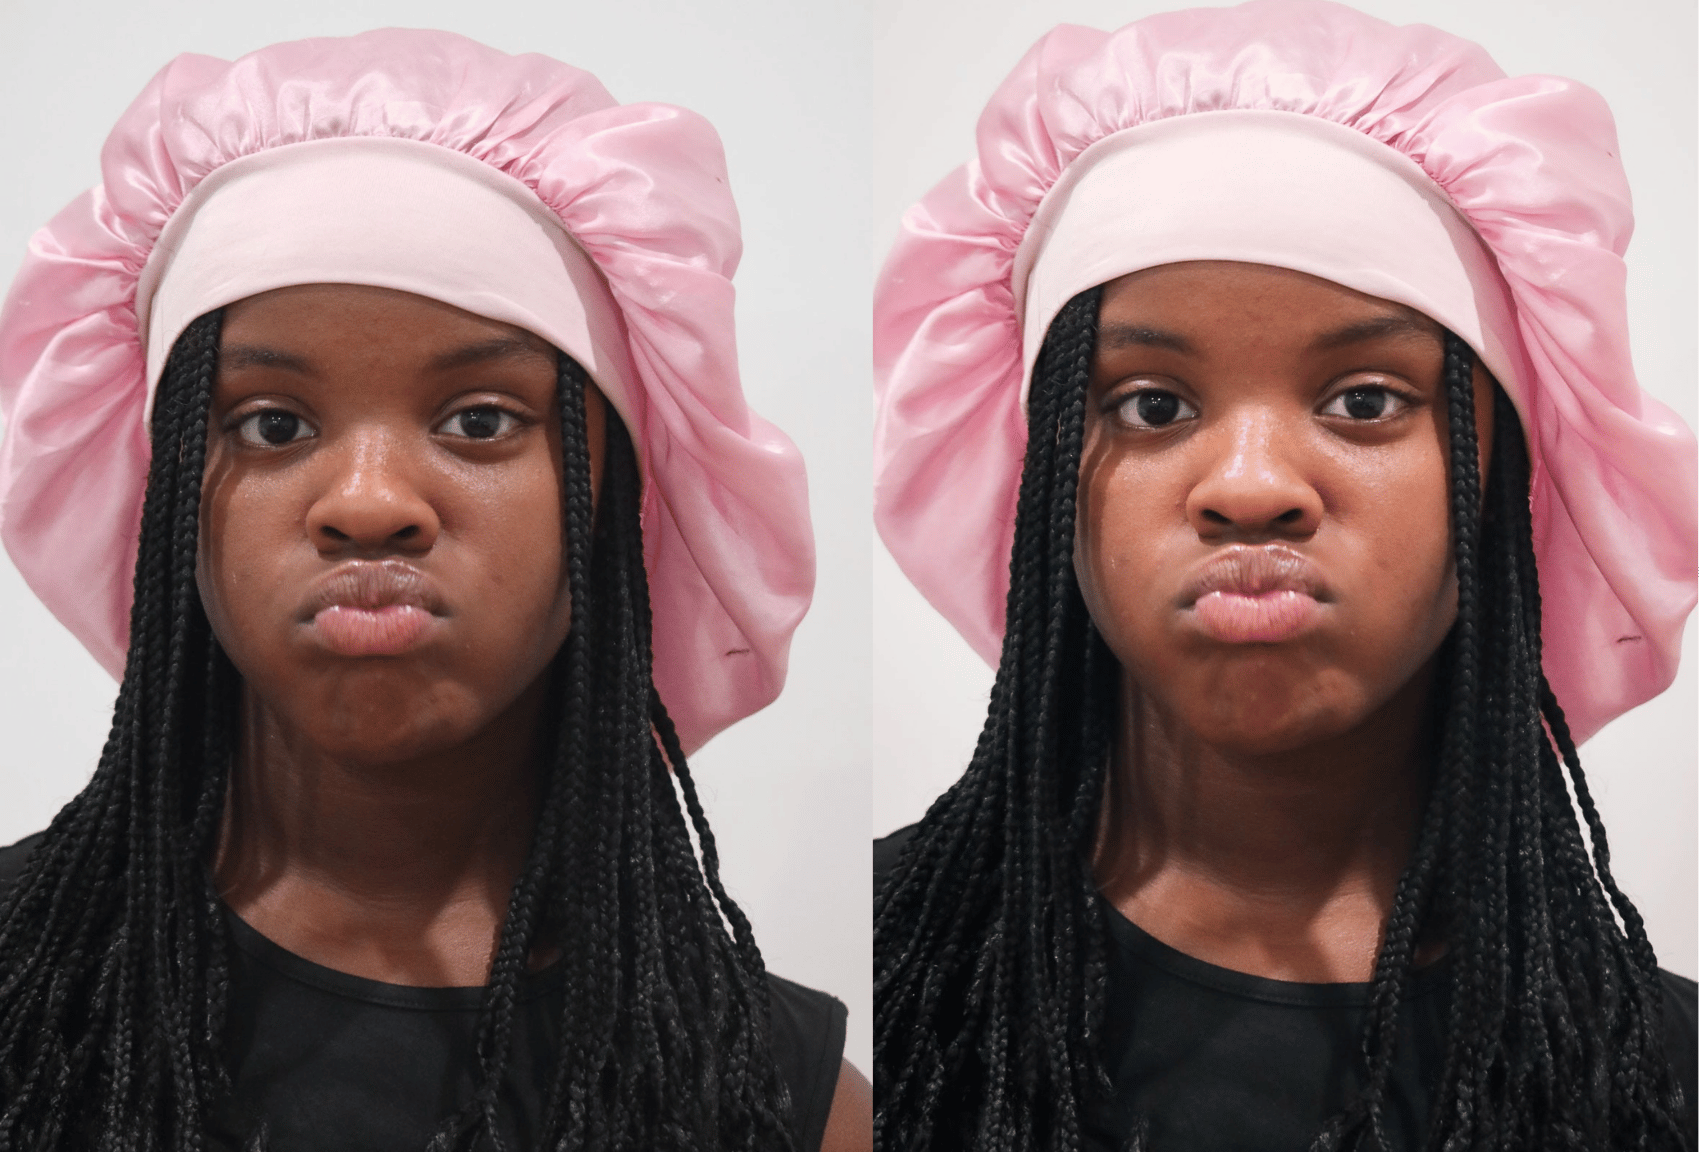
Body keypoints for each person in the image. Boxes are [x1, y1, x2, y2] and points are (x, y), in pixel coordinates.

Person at [0, 30, 870, 1152]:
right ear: (167, 501)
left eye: (479, 421)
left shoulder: (786, 1106)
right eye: (271, 425)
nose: (366, 504)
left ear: (615, 500)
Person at [870, 3, 1696, 1150]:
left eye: (1366, 400)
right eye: (1150, 406)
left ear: (1507, 477)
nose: (1251, 487)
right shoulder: (875, 998)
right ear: (1040, 472)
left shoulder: (1655, 1087)